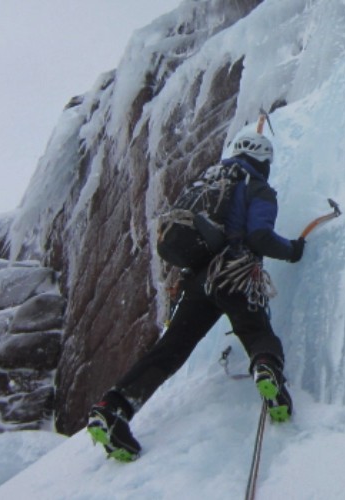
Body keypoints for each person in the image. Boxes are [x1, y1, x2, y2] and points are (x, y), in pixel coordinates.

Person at [86, 131, 305, 461]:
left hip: (198, 280)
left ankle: (113, 407)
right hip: (234, 272)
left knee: (169, 351)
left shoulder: (208, 180)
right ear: (264, 161)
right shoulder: (257, 187)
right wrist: (292, 251)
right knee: (256, 331)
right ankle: (266, 371)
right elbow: (259, 235)